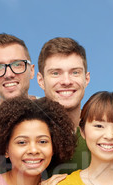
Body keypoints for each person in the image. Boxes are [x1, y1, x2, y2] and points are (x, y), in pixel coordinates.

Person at [37, 37, 91, 174]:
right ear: (41, 80)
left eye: (75, 72)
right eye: (56, 73)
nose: (66, 81)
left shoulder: (103, 134)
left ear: (86, 79)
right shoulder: (21, 133)